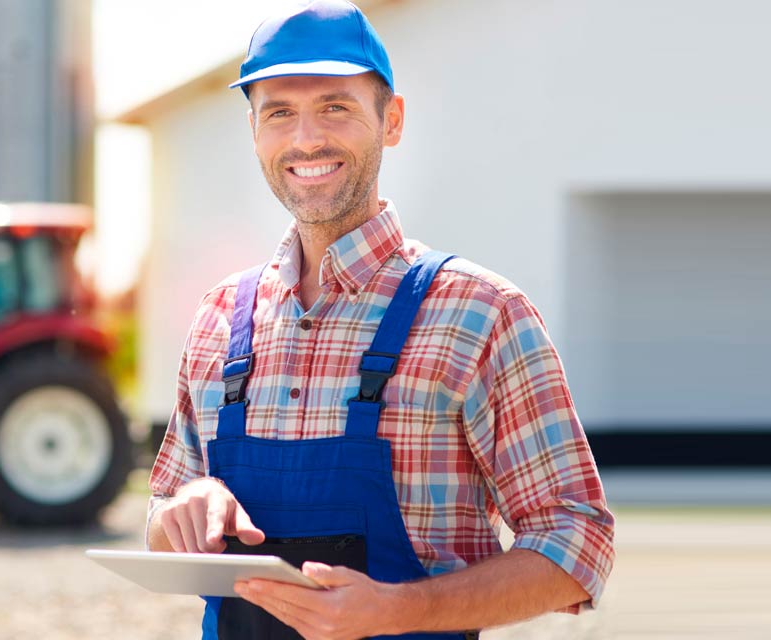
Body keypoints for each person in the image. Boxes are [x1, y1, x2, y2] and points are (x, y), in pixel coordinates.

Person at [146, 2, 615, 638]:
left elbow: (578, 547)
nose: (305, 138)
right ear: (254, 130)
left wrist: (399, 610)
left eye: (335, 107)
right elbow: (161, 517)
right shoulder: (221, 317)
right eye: (279, 112)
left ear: (391, 120)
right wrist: (183, 508)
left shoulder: (479, 314)